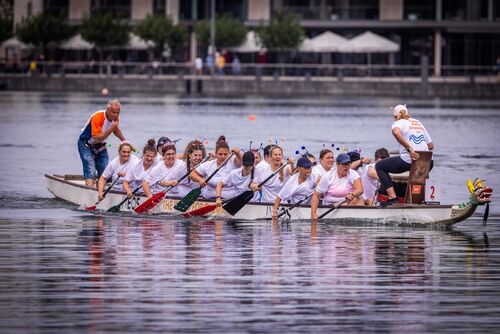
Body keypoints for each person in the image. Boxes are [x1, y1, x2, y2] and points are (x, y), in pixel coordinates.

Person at [375, 104, 434, 206]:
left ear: (395, 116)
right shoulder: (417, 122)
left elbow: (396, 133)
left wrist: (410, 150)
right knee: (416, 180)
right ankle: (416, 201)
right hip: (428, 162)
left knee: (379, 166)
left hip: (409, 160)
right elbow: (431, 145)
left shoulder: (397, 123)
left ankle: (393, 197)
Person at [78, 100, 132, 187]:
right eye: (113, 112)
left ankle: (100, 190)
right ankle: (89, 190)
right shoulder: (98, 117)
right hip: (86, 145)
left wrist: (124, 141)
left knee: (105, 170)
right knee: (91, 169)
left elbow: (115, 130)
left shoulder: (115, 117)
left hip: (100, 146)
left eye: (118, 113)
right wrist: (111, 128)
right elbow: (97, 137)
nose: (116, 115)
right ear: (108, 109)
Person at [311, 153, 364, 219]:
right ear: (337, 164)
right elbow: (316, 195)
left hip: (348, 203)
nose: (346, 167)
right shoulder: (328, 176)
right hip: (330, 206)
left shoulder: (353, 174)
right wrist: (313, 214)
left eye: (348, 164)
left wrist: (352, 195)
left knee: (358, 199)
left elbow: (360, 190)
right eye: (344, 164)